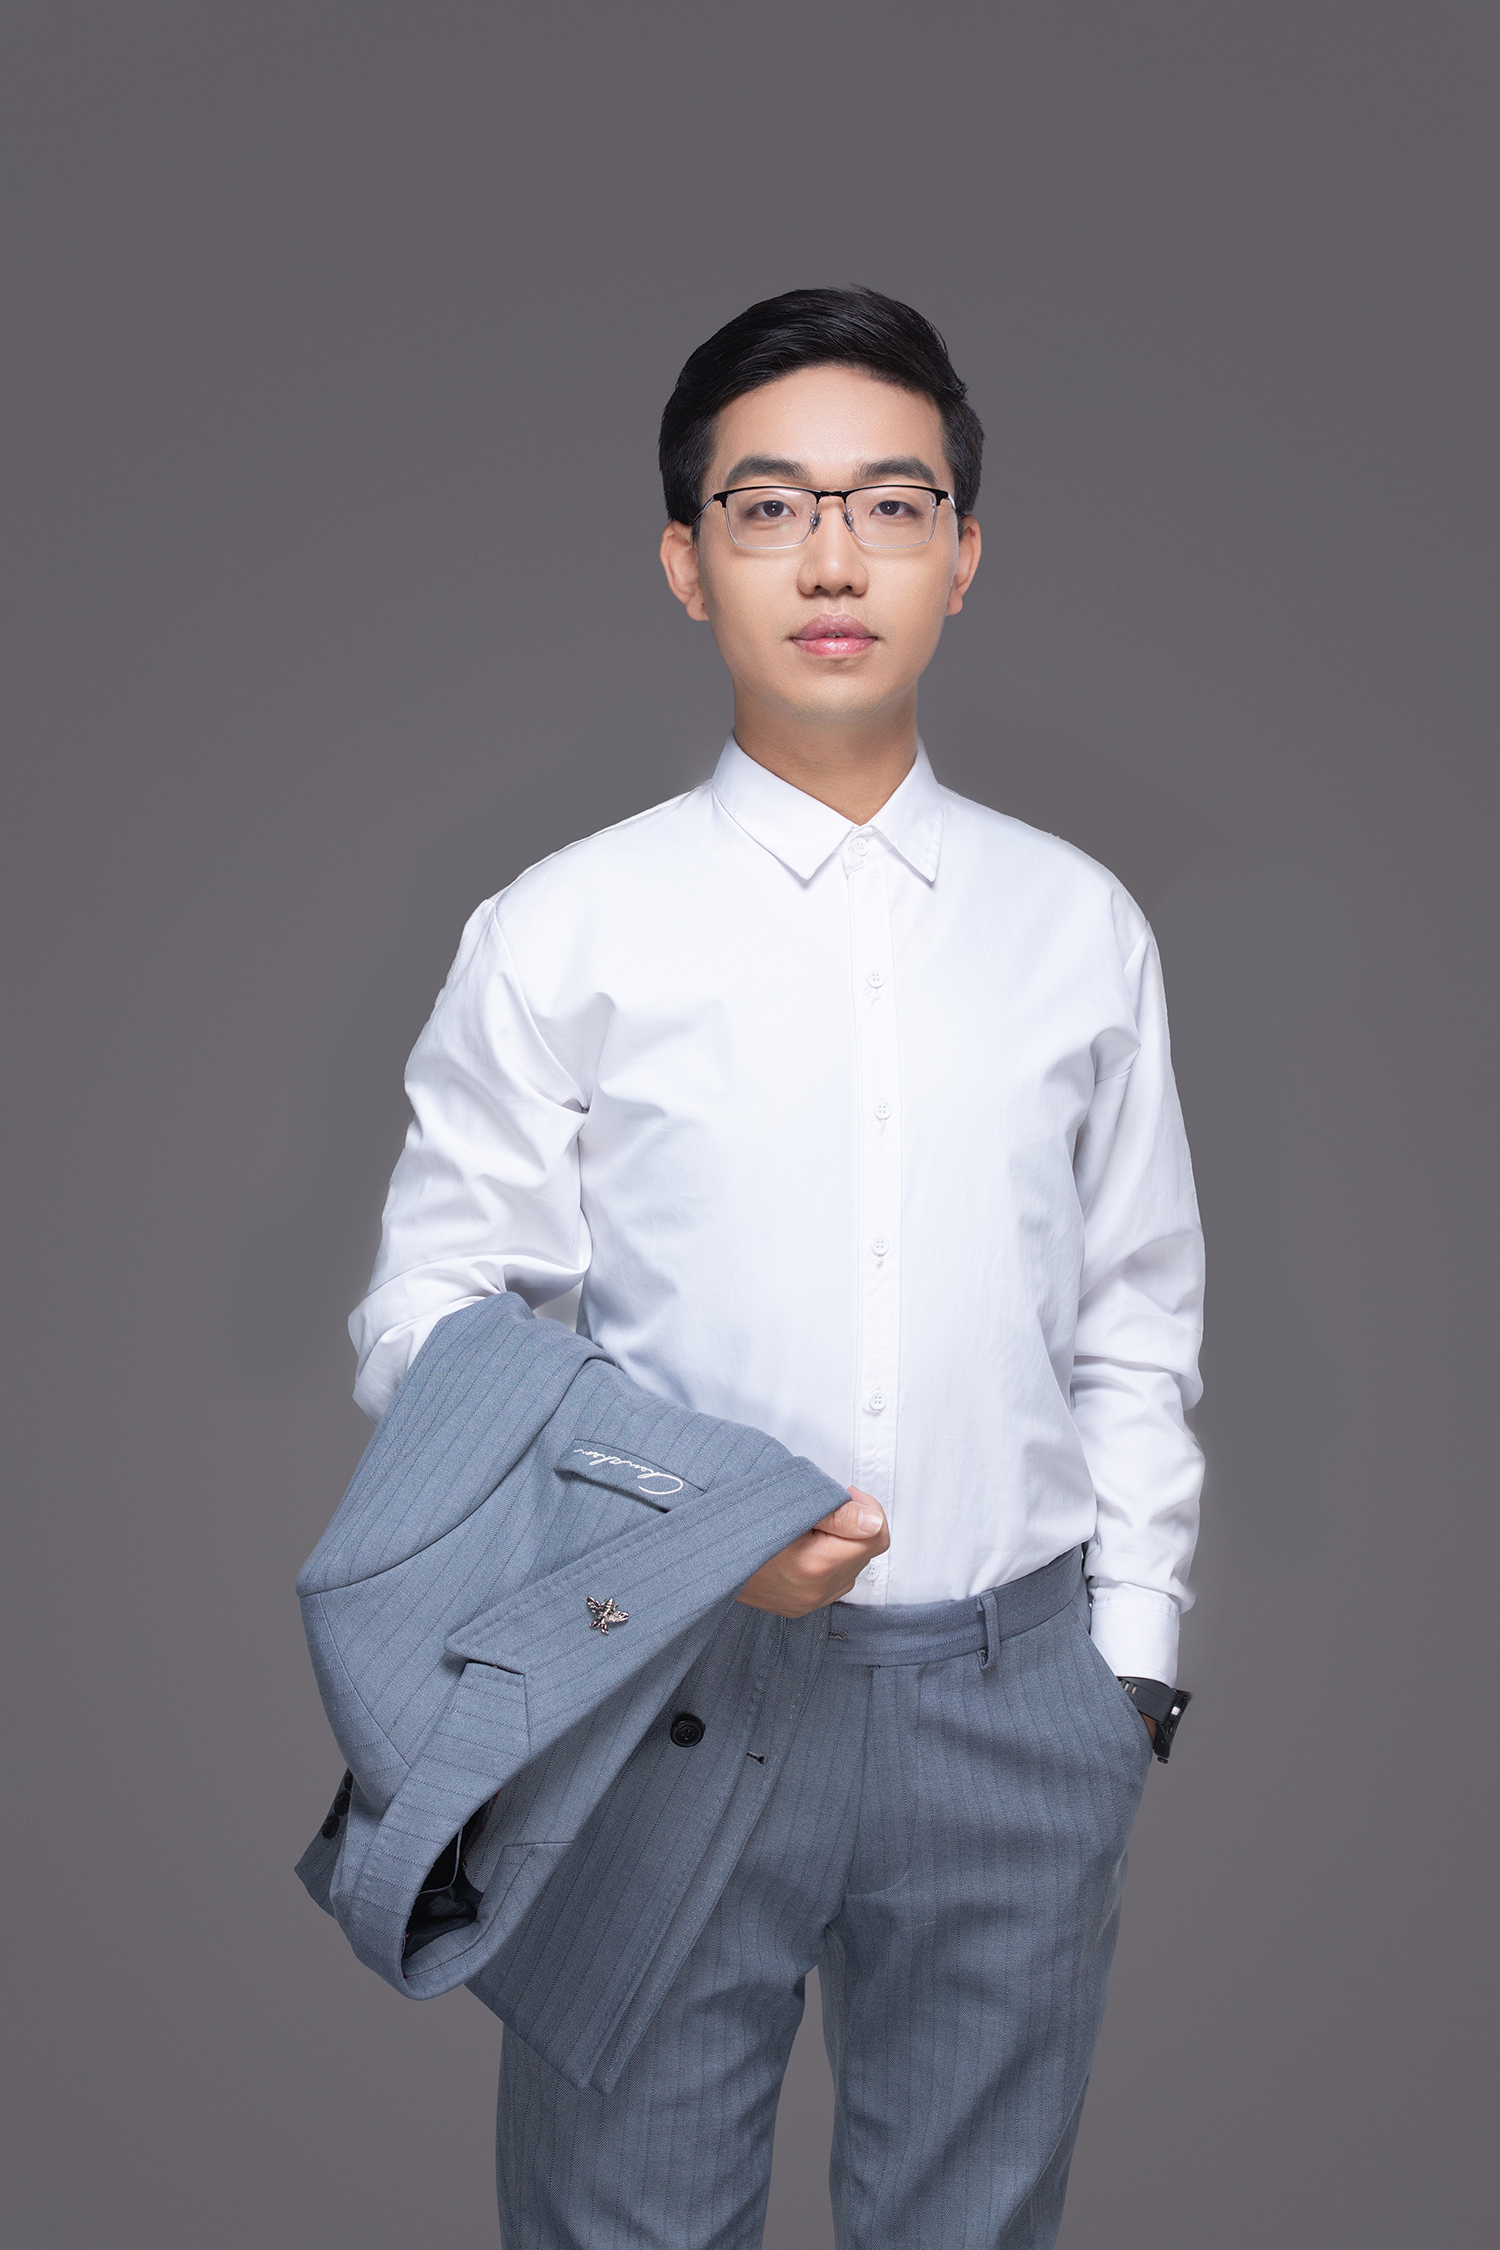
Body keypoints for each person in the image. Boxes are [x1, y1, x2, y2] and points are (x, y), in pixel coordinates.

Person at [349, 286, 1204, 2250]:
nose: (833, 560)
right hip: (659, 1693)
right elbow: (427, 1323)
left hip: (1015, 1702)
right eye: (769, 507)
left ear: (962, 556)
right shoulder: (565, 928)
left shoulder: (1078, 925)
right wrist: (692, 1516)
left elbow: (1135, 1312)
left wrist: (1133, 1668)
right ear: (686, 560)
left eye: (891, 505)